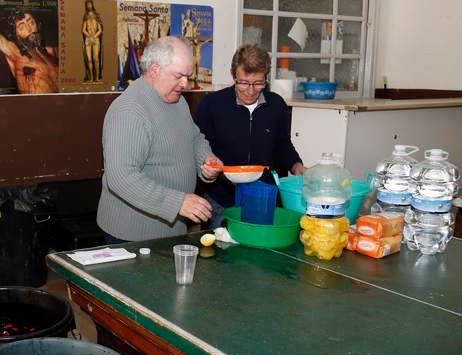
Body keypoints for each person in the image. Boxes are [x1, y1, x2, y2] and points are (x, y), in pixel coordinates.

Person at [97, 36, 223, 242]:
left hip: (171, 230)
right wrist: (177, 203)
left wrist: (206, 159)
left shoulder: (177, 100)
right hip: (132, 235)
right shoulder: (129, 110)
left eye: (188, 76)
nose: (185, 83)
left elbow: (194, 137)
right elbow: (121, 178)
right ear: (155, 69)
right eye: (179, 76)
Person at [194, 43, 306, 229]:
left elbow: (282, 143)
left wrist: (296, 164)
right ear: (233, 75)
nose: (251, 90)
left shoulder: (276, 105)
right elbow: (197, 145)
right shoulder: (212, 104)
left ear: (266, 79)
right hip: (220, 200)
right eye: (244, 82)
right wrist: (207, 167)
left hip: (263, 199)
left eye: (258, 83)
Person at [0, 9, 58, 94]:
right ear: (15, 34)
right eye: (21, 27)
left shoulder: (51, 51)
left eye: (31, 22)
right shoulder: (15, 52)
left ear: (37, 24)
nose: (29, 29)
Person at [82, 0, 103, 82]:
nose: (89, 5)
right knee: (89, 59)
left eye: (90, 4)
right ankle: (91, 78)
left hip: (95, 39)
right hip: (88, 40)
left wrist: (94, 36)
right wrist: (89, 36)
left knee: (96, 59)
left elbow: (100, 30)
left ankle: (97, 77)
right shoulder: (85, 18)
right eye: (88, 4)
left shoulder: (97, 17)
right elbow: (83, 30)